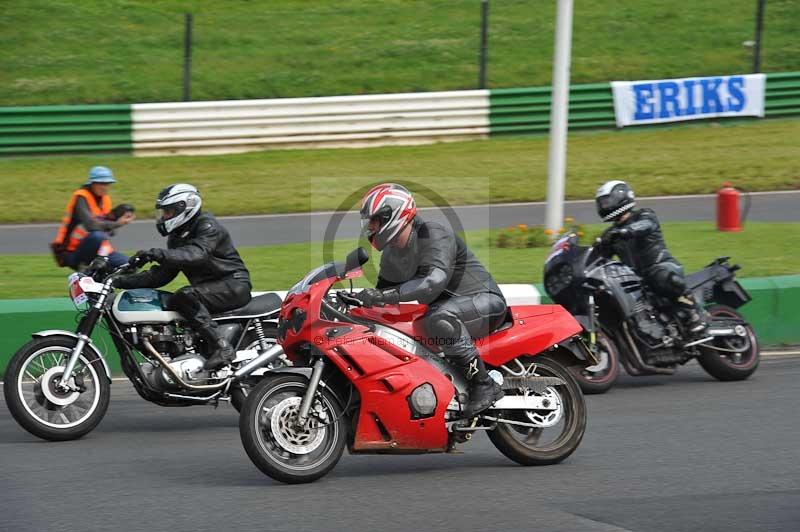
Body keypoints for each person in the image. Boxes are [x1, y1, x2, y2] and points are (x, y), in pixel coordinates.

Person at [355, 183, 507, 417]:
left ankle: (484, 385)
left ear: (392, 215)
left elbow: (432, 281)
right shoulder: (392, 255)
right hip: (445, 311)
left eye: (374, 221)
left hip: (485, 303)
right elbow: (383, 300)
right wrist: (356, 303)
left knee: (439, 319)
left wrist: (386, 295)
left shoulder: (433, 233)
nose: (371, 227)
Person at [113, 184, 252, 370]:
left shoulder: (208, 226)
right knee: (170, 300)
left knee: (185, 296)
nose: (165, 217)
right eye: (164, 212)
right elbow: (160, 276)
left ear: (185, 208)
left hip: (233, 284)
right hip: (209, 289)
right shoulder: (177, 238)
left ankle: (223, 348)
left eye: (169, 212)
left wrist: (157, 253)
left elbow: (197, 254)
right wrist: (118, 280)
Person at [594, 180, 707, 338]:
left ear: (621, 198)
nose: (604, 206)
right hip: (637, 278)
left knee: (658, 276)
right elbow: (599, 256)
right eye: (602, 203)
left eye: (607, 202)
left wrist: (627, 230)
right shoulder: (611, 233)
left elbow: (646, 225)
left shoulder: (644, 215)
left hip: (662, 266)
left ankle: (695, 312)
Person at [51, 166, 135, 270]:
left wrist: (116, 217)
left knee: (129, 266)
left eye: (107, 184)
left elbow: (109, 231)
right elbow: (91, 225)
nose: (105, 187)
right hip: (71, 252)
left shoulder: (105, 199)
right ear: (92, 183)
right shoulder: (81, 197)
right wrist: (118, 223)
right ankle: (83, 266)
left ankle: (100, 270)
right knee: (97, 235)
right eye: (101, 183)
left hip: (98, 250)